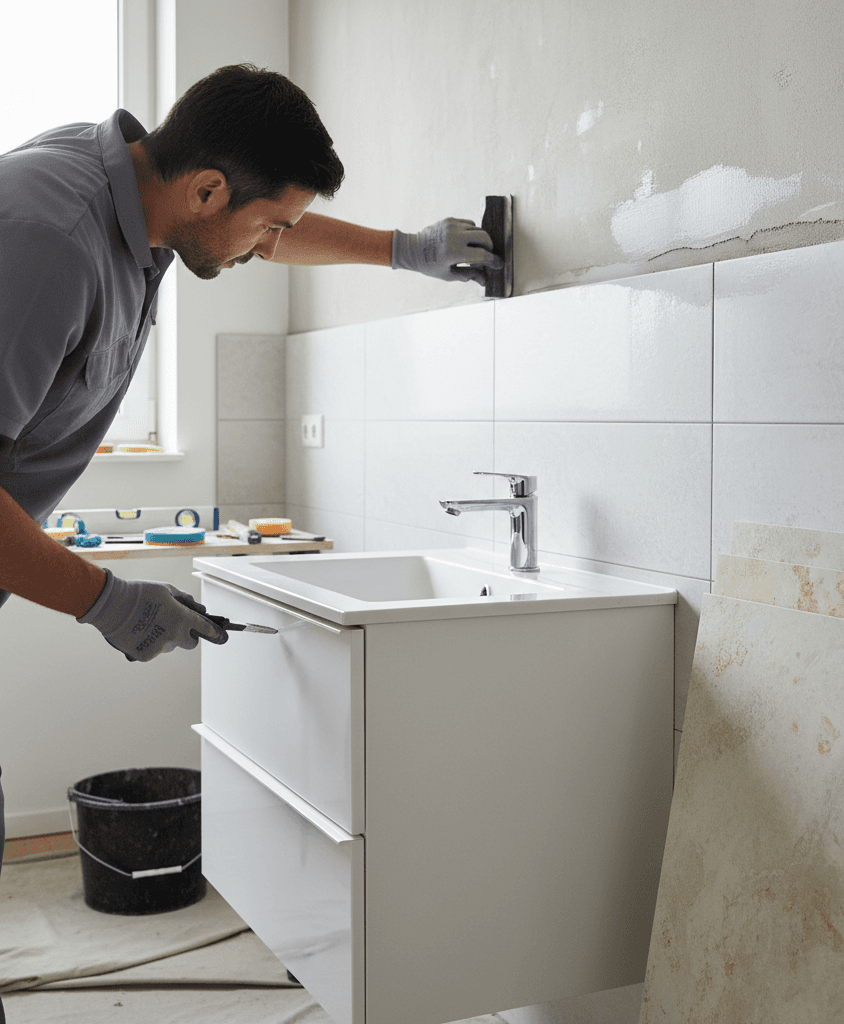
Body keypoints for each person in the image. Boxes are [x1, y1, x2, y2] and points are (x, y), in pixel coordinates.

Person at [0, 64, 500, 1015]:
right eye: (267, 225)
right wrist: (105, 600)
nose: (271, 246)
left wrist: (406, 251)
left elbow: (270, 232)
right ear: (207, 190)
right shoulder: (49, 234)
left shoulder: (140, 202)